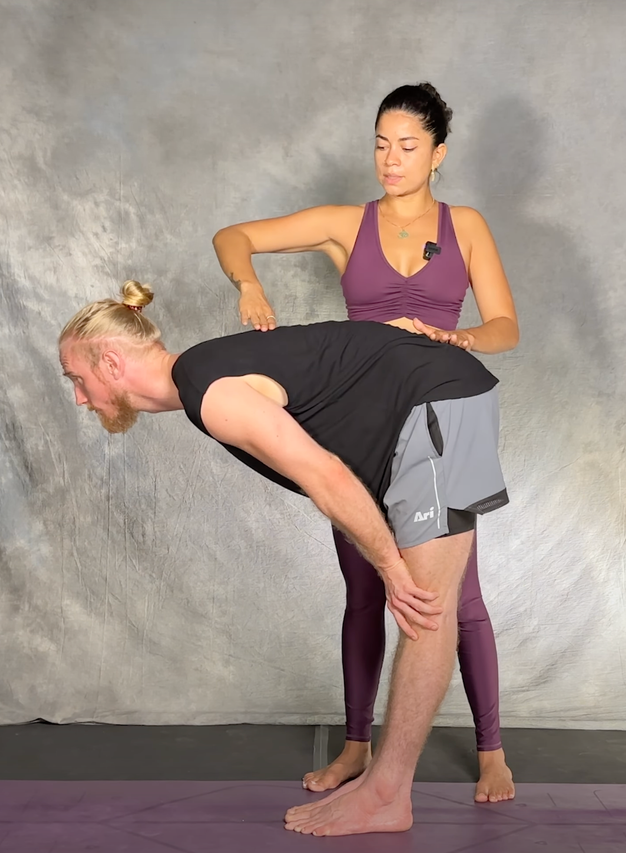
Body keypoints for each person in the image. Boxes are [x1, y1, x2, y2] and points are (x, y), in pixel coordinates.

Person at [57, 280, 511, 836]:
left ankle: (387, 796)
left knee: (423, 605)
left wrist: (392, 569)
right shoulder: (203, 373)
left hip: (439, 397)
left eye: (76, 378)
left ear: (110, 362)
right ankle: (381, 785)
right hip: (423, 401)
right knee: (425, 604)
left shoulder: (213, 394)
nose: (79, 398)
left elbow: (326, 474)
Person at [211, 82, 519, 803]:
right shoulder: (346, 225)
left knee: (459, 598)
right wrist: (248, 285)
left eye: (408, 146)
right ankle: (357, 747)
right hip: (363, 423)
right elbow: (234, 236)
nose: (391, 158)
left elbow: (505, 326)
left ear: (438, 154)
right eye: (381, 144)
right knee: (364, 589)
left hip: (440, 417)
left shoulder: (466, 226)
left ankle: (493, 752)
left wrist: (458, 337)